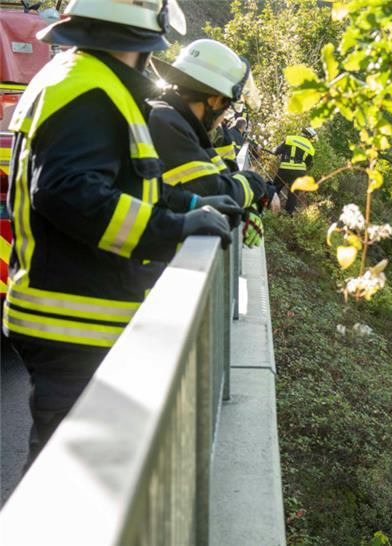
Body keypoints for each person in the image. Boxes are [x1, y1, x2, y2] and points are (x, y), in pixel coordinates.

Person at [2, 0, 242, 462]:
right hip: (73, 323)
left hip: (70, 318)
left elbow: (127, 182)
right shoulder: (89, 90)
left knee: (80, 468)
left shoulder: (79, 79)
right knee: (72, 476)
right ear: (141, 37)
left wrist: (191, 204)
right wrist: (173, 228)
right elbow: (69, 193)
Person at [149, 39, 276, 247]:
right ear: (215, 100)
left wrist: (247, 207)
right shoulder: (166, 122)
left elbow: (222, 175)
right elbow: (215, 192)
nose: (223, 118)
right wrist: (257, 182)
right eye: (227, 107)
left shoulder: (181, 122)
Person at [273, 127, 317, 214]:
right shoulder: (311, 148)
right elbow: (308, 164)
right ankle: (287, 214)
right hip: (299, 173)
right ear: (309, 137)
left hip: (285, 169)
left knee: (275, 188)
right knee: (293, 194)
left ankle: (266, 205)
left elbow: (277, 151)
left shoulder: (290, 139)